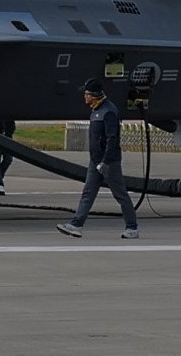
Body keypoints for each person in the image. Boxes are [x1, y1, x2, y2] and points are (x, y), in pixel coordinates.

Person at [55, 78, 138, 240]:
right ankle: (77, 224)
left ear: (93, 95)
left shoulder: (109, 112)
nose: (84, 97)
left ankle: (132, 227)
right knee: (88, 193)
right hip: (95, 161)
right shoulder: (96, 111)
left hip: (109, 162)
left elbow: (112, 139)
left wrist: (106, 162)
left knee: (120, 194)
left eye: (86, 94)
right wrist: (96, 161)